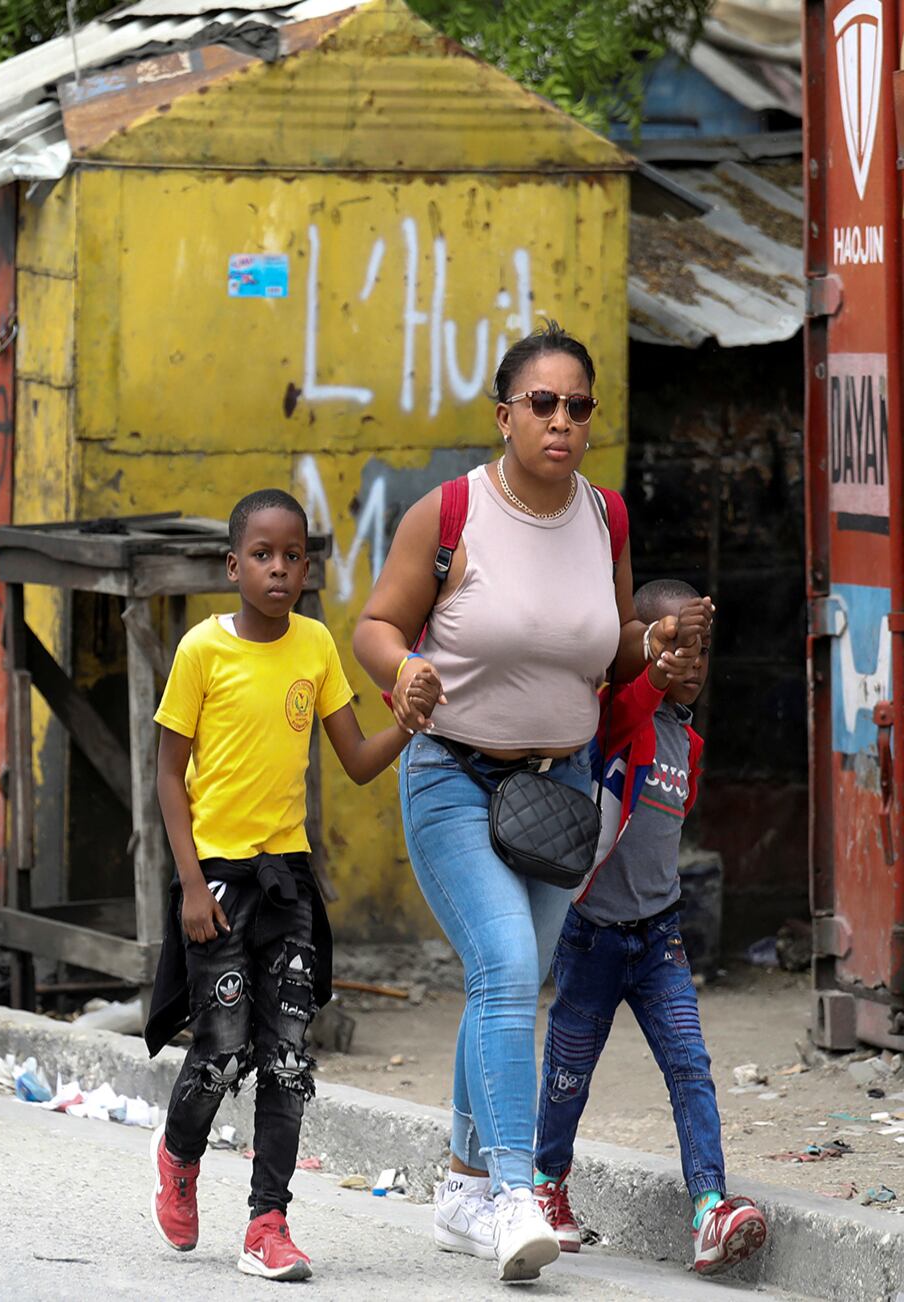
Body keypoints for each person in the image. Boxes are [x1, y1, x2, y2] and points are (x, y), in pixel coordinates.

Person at [353, 322, 700, 1280]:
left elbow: (613, 646)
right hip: (454, 777)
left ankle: (462, 1187)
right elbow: (375, 625)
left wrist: (657, 646)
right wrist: (408, 672)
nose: (560, 421)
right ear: (505, 415)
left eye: (577, 406)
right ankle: (514, 1191)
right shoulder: (452, 512)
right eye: (541, 404)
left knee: (505, 986)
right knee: (506, 967)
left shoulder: (606, 518)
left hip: (561, 793)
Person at [144, 489, 423, 1281]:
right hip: (220, 883)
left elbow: (359, 761)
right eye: (262, 555)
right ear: (233, 566)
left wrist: (408, 718)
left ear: (308, 567)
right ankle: (179, 1156)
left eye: (292, 556)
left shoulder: (315, 647)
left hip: (288, 885)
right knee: (223, 1052)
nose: (278, 568)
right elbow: (169, 774)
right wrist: (191, 887)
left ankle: (268, 1223)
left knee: (290, 1059)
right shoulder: (203, 650)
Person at [533, 582, 765, 1274]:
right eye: (675, 647)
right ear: (644, 647)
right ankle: (547, 1188)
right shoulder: (616, 715)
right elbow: (633, 697)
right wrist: (655, 663)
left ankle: (709, 1210)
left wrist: (675, 656)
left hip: (659, 938)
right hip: (592, 936)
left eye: (700, 650)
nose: (691, 662)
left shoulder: (687, 742)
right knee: (568, 1075)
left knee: (690, 1067)